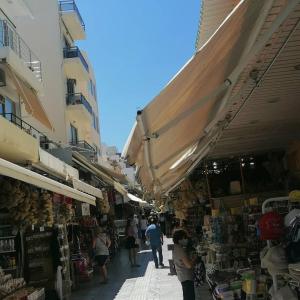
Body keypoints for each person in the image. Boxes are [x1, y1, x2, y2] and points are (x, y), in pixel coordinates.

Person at [172, 229, 196, 300]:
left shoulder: (176, 247)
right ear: (180, 239)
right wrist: (194, 258)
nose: (186, 240)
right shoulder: (180, 249)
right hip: (186, 277)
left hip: (182, 276)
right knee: (189, 297)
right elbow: (189, 265)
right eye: (185, 238)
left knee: (187, 296)